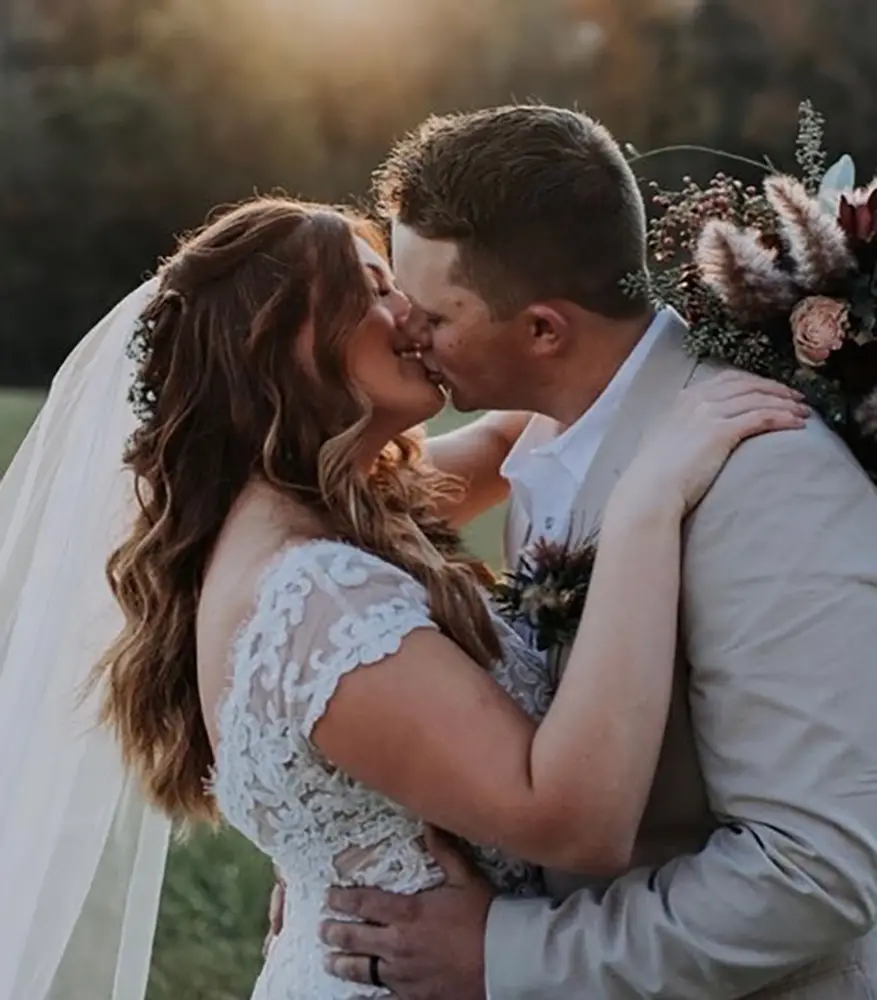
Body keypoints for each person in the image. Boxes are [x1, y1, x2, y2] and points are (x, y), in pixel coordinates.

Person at [0, 194, 803, 1000]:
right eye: (373, 289)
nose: (410, 313)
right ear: (275, 345)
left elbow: (518, 426)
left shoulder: (320, 510)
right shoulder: (318, 594)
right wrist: (646, 507)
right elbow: (575, 823)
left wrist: (715, 308)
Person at [320, 106, 877, 999]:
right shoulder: (541, 432)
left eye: (433, 314)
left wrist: (508, 956)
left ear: (543, 329)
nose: (406, 333)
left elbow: (813, 873)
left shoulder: (765, 476)